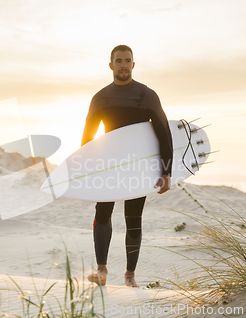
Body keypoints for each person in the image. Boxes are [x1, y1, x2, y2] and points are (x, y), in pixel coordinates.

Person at [81, 45, 173, 288]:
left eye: (127, 60)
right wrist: (86, 168)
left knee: (133, 218)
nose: (123, 65)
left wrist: (166, 172)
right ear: (111, 65)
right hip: (109, 165)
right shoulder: (100, 98)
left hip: (139, 167)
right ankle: (102, 270)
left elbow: (164, 133)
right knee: (102, 213)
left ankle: (130, 275)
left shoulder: (147, 95)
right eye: (119, 61)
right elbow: (88, 137)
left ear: (134, 64)